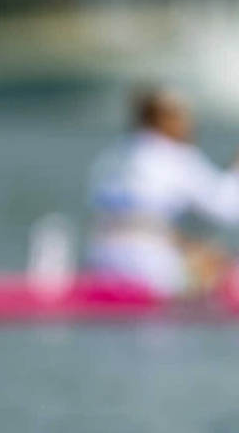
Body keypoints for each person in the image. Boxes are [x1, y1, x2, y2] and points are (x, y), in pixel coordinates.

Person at [86, 86, 239, 297]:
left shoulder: (115, 153)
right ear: (166, 119)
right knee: (222, 261)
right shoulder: (175, 155)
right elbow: (227, 209)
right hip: (148, 265)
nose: (191, 124)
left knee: (195, 248)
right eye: (184, 116)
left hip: (99, 259)